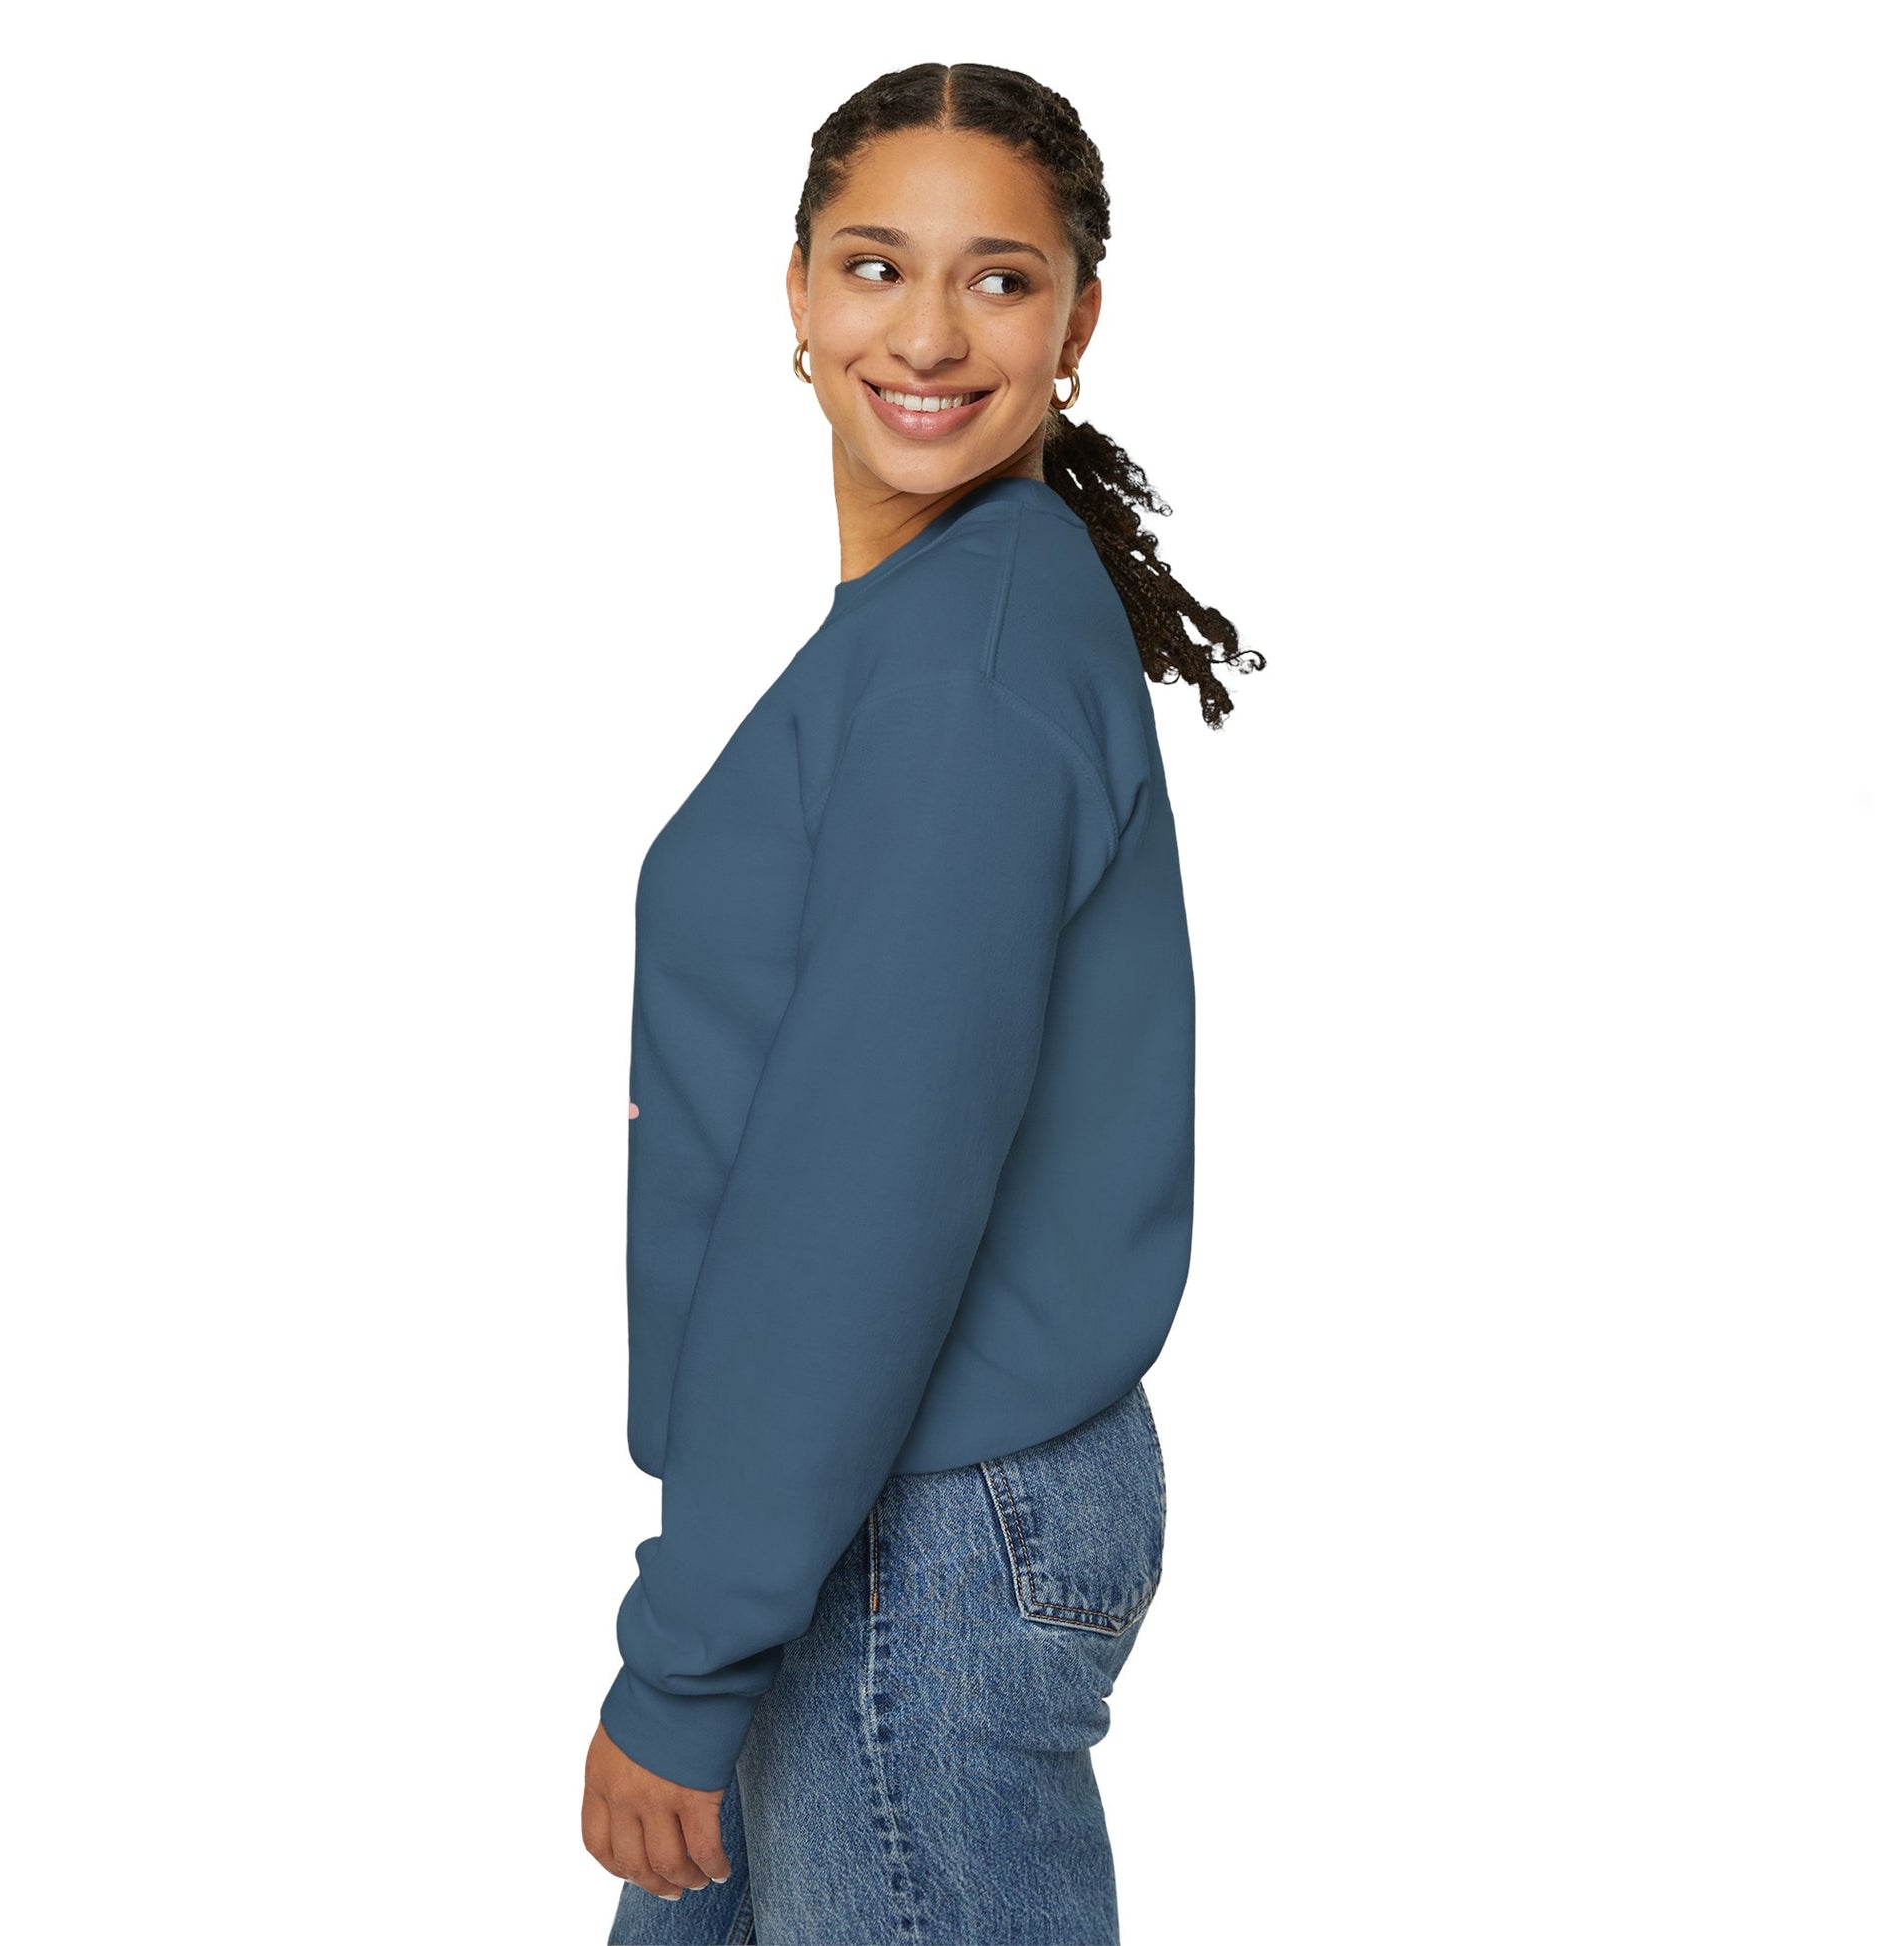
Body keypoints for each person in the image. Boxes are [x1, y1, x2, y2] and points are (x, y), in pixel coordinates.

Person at [580, 61, 1258, 1946]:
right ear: (796, 291)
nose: (930, 334)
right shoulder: (946, 616)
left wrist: (687, 1655)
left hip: (914, 1529)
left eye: (1001, 278)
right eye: (877, 266)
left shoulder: (967, 657)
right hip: (849, 1511)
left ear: (1077, 323)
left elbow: (862, 1187)